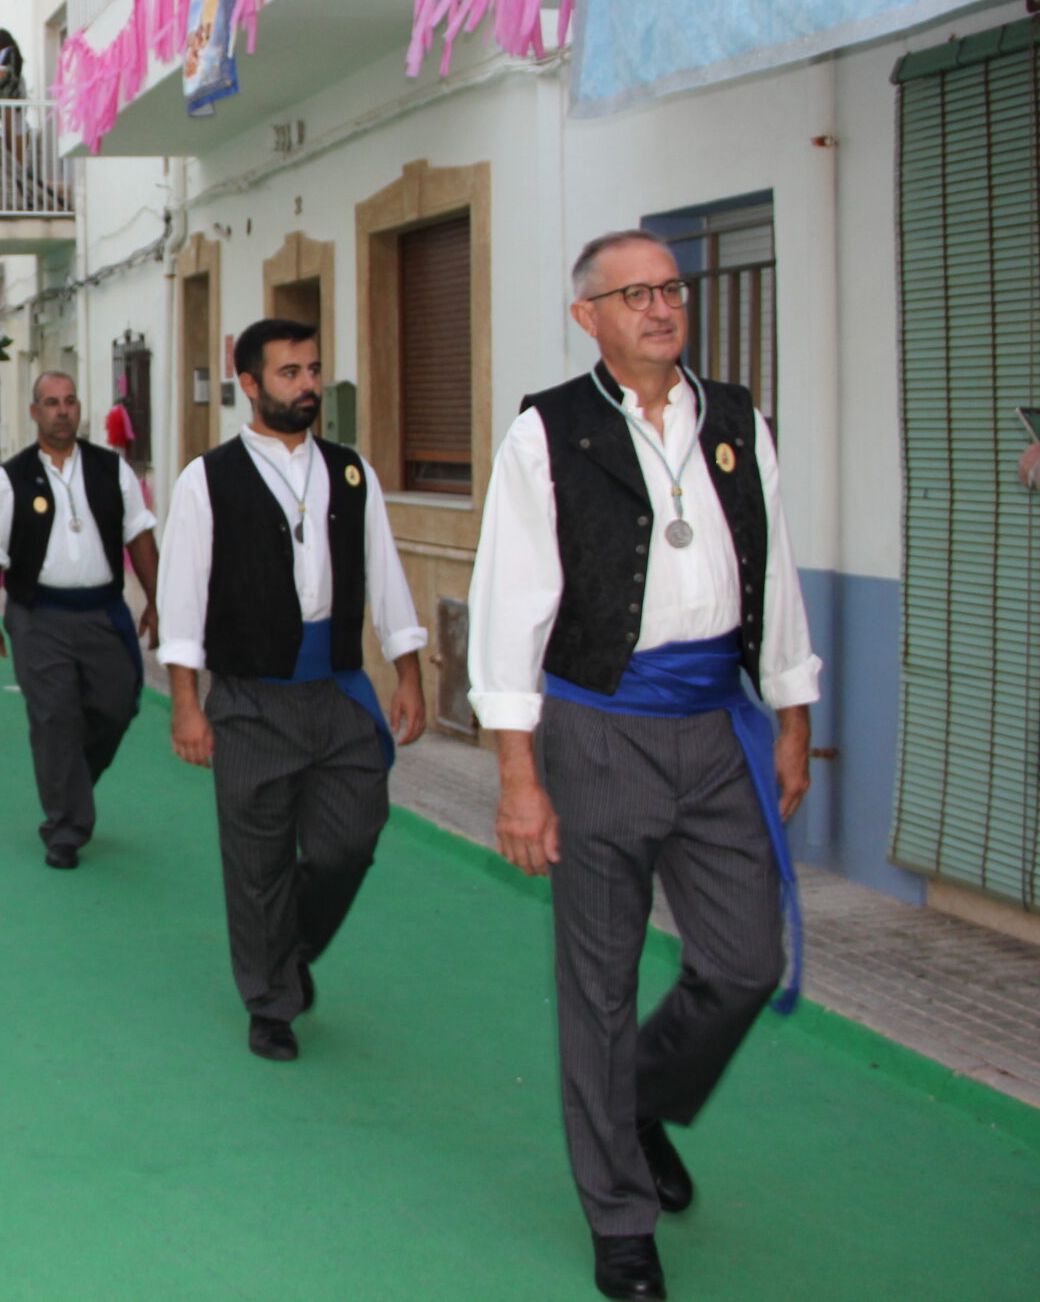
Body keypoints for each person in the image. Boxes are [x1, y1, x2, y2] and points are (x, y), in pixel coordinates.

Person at [468, 233, 817, 1302]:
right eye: (636, 294)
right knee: (600, 984)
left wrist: (792, 711)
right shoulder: (548, 431)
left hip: (718, 728)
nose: (662, 308)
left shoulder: (735, 419)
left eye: (671, 288)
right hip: (597, 729)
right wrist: (517, 772)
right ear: (589, 318)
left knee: (745, 960)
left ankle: (637, 1104)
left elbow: (778, 564)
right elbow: (508, 604)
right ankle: (618, 1218)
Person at [158, 320, 426, 1065]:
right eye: (289, 373)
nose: (308, 384)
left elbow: (386, 573)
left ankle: (288, 946)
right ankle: (271, 1001)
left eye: (313, 369)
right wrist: (187, 701)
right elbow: (182, 600)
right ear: (249, 384)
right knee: (257, 863)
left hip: (338, 692)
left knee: (352, 835)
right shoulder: (206, 479)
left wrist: (407, 669)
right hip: (248, 699)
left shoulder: (351, 471)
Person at [0, 371, 162, 867]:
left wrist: (159, 602)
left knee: (117, 705)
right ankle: (66, 827)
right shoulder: (9, 480)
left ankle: (71, 784)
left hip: (103, 611)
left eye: (70, 401)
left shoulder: (111, 469)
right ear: (34, 413)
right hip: (39, 615)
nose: (62, 411)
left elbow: (139, 535)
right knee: (54, 718)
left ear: (80, 409)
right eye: (51, 403)